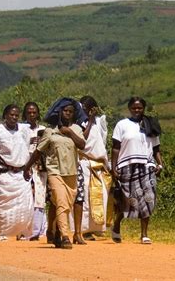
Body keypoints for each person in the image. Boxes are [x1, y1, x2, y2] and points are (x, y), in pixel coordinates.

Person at [24, 98, 86, 249]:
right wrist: (27, 167)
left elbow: (82, 145)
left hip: (71, 172)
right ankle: (65, 236)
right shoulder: (49, 131)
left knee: (67, 203)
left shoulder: (76, 129)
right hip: (55, 172)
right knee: (61, 202)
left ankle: (55, 231)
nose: (67, 114)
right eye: (65, 111)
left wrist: (69, 132)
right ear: (59, 113)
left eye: (70, 112)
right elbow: (39, 151)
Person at [110, 96, 163, 244]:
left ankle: (144, 234)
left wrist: (160, 164)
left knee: (148, 199)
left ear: (144, 109)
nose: (137, 110)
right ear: (129, 109)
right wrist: (113, 168)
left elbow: (156, 148)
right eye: (134, 108)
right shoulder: (122, 125)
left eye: (139, 108)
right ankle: (117, 224)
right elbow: (115, 148)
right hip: (126, 166)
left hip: (146, 166)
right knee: (128, 201)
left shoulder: (150, 124)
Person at [0, 104, 34, 241]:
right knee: (5, 205)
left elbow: (27, 149)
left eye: (16, 115)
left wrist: (28, 167)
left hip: (22, 173)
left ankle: (23, 233)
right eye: (11, 115)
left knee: (25, 205)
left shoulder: (24, 130)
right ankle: (4, 234)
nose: (14, 118)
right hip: (4, 173)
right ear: (5, 116)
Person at [72, 96, 112, 243]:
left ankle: (95, 228)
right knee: (86, 199)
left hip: (98, 165)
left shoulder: (98, 123)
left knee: (100, 198)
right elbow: (83, 139)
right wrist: (89, 120)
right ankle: (82, 229)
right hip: (85, 163)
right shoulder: (80, 123)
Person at [22, 102, 48, 241]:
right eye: (29, 113)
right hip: (25, 167)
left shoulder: (43, 129)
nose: (32, 115)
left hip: (40, 168)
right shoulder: (21, 129)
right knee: (27, 198)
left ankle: (38, 229)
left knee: (39, 198)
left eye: (34, 112)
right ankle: (25, 229)